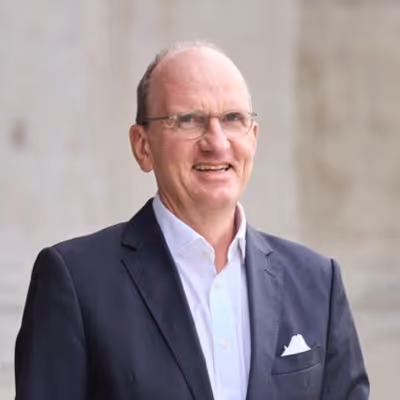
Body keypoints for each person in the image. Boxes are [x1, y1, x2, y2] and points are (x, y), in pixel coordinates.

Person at [15, 41, 369, 400]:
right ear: (143, 146)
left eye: (233, 119)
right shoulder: (76, 282)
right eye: (188, 120)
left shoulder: (317, 283)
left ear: (253, 138)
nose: (217, 143)